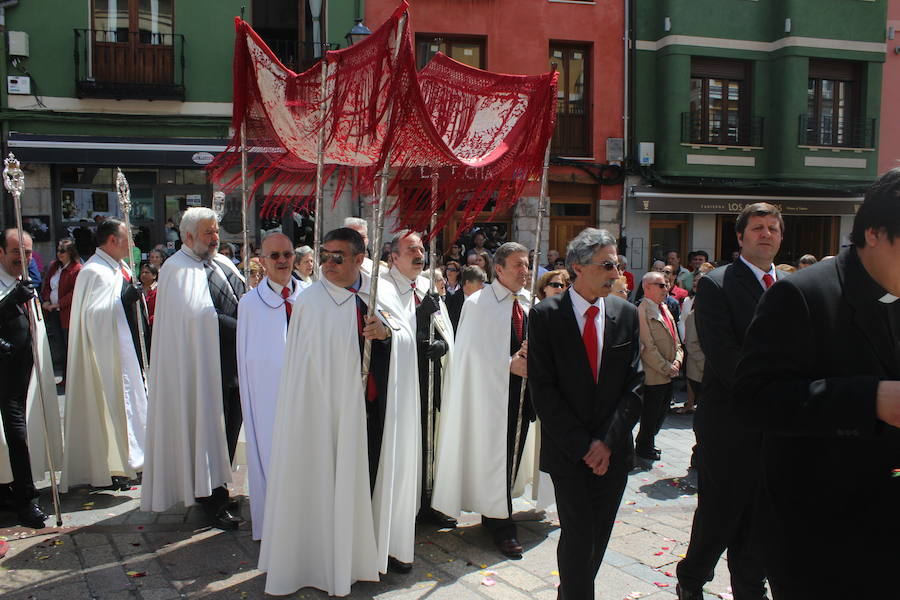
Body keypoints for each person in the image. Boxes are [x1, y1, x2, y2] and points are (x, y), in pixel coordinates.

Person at [735, 170, 900, 598]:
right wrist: (869, 399)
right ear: (876, 233)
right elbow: (755, 399)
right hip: (821, 537)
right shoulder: (802, 295)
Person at [260, 227, 418, 596]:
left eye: (338, 257)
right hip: (329, 416)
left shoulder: (381, 292)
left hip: (377, 410)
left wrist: (387, 334)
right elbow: (306, 369)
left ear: (360, 259)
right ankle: (333, 552)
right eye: (324, 255)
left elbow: (405, 337)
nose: (327, 264)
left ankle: (381, 548)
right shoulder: (312, 302)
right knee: (335, 477)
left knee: (378, 477)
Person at [676, 202, 784, 600]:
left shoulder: (790, 284)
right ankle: (691, 577)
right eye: (757, 227)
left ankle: (749, 587)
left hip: (775, 425)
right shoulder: (718, 284)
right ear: (740, 237)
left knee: (760, 515)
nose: (767, 234)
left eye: (773, 227)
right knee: (721, 514)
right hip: (730, 424)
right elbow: (725, 357)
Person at [528, 227, 643, 600]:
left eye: (618, 264)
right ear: (577, 267)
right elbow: (543, 390)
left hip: (614, 452)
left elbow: (635, 385)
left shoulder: (626, 313)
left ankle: (571, 592)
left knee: (597, 535)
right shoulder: (546, 316)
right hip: (569, 451)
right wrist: (584, 446)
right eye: (607, 265)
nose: (617, 273)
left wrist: (607, 443)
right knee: (578, 534)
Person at [141, 207, 247, 530]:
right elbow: (196, 319)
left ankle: (217, 484)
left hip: (233, 364)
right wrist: (241, 325)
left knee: (228, 429)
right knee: (208, 427)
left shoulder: (224, 263)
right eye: (208, 233)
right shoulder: (175, 269)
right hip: (202, 369)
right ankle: (214, 497)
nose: (215, 238)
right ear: (188, 236)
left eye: (216, 232)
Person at [432, 242, 535, 559]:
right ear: (499, 269)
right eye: (518, 265)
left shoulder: (528, 303)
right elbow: (470, 354)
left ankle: (498, 510)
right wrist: (507, 364)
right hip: (491, 396)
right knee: (495, 458)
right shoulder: (478, 303)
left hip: (522, 394)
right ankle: (500, 524)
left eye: (527, 264)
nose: (525, 271)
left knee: (512, 458)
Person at [61, 218, 150, 492]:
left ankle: (133, 461)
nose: (131, 244)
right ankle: (116, 465)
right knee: (111, 409)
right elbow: (94, 317)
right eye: (127, 238)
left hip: (130, 349)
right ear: (112, 241)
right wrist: (124, 300)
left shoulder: (119, 267)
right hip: (105, 357)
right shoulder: (94, 272)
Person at [383, 231, 456, 530]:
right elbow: (390, 333)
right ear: (394, 257)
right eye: (411, 249)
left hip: (429, 378)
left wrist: (442, 344)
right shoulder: (385, 289)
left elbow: (444, 328)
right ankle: (404, 507)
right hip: (400, 382)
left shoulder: (427, 285)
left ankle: (429, 502)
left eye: (422, 249)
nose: (419, 254)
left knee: (430, 441)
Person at [236, 233, 302, 541]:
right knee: (271, 454)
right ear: (262, 261)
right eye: (274, 256)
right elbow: (245, 358)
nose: (282, 261)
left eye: (287, 254)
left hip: (304, 396)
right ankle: (273, 523)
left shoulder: (309, 296)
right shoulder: (249, 304)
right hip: (268, 397)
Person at [0, 229, 63, 528]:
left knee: (27, 433)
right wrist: (10, 301)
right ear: (1, 252)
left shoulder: (26, 283)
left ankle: (14, 489)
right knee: (15, 436)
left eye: (27, 252)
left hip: (29, 373)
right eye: (16, 252)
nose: (23, 258)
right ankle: (27, 501)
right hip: (5, 376)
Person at [635, 271, 683, 464]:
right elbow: (647, 346)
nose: (666, 288)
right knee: (651, 413)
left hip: (669, 371)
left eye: (666, 284)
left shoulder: (665, 307)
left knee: (662, 411)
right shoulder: (642, 310)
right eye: (661, 285)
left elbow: (676, 339)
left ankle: (648, 442)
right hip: (654, 374)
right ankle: (644, 446)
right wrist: (666, 367)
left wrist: (678, 360)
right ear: (647, 287)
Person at [40, 238, 82, 381]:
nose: (59, 254)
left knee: (69, 346)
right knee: (60, 346)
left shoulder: (77, 268)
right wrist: (46, 300)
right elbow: (46, 284)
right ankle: (65, 378)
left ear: (70, 252)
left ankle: (72, 379)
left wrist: (58, 304)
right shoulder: (54, 266)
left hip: (67, 314)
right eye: (58, 250)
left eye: (62, 251)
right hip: (53, 313)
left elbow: (74, 292)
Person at [446, 264, 485, 332]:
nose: (482, 287)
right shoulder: (454, 299)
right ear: (468, 283)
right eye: (479, 284)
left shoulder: (482, 299)